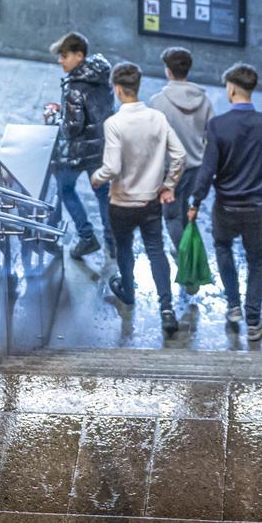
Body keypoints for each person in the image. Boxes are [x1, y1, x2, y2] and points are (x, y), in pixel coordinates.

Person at [188, 63, 262, 342]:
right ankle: (253, 322)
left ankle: (233, 306)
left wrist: (196, 201)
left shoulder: (218, 126)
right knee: (257, 261)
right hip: (256, 209)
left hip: (225, 207)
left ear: (231, 88)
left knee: (223, 249)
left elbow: (207, 170)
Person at [92, 62, 187, 335]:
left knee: (124, 249)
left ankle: (129, 291)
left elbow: (111, 168)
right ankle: (167, 308)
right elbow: (179, 156)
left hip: (121, 202)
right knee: (156, 251)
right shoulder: (157, 118)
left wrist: (97, 177)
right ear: (137, 86)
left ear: (118, 90)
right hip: (150, 202)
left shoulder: (114, 123)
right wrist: (168, 185)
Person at [47, 31, 115, 259]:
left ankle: (87, 237)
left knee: (65, 190)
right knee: (103, 192)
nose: (60, 61)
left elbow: (71, 128)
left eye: (64, 56)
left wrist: (55, 117)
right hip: (101, 147)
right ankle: (112, 241)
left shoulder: (74, 86)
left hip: (77, 153)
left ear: (79, 55)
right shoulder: (102, 75)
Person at [148, 47, 214, 249]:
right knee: (183, 210)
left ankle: (186, 259)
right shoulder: (204, 101)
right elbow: (211, 136)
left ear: (168, 70)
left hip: (171, 172)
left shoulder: (157, 102)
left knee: (171, 217)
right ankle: (192, 254)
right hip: (195, 168)